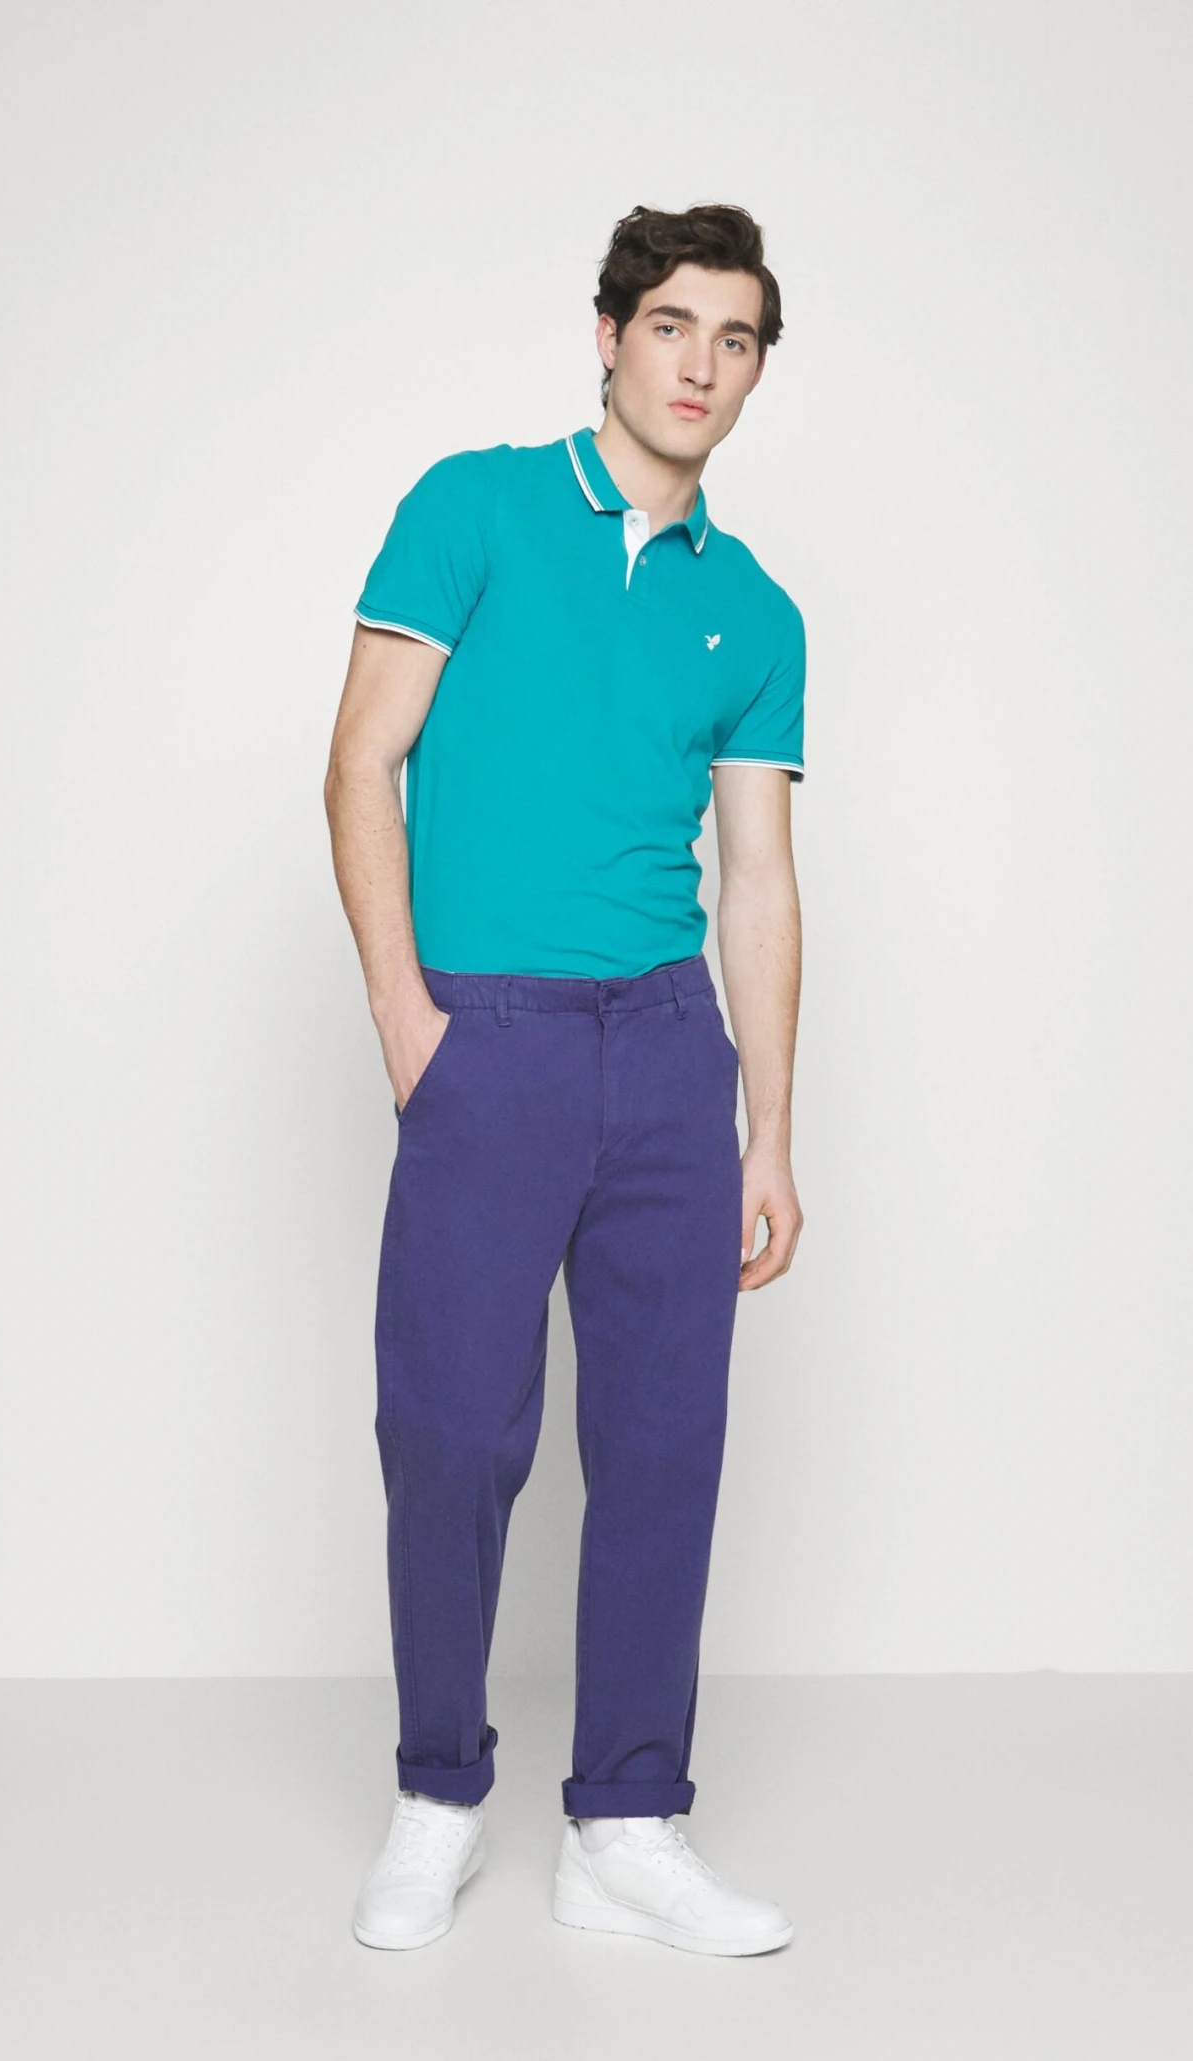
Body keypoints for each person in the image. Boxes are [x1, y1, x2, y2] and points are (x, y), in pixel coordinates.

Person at [324, 202, 806, 1956]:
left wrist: (767, 1128)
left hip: (669, 1051)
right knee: (451, 1429)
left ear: (754, 371)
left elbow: (758, 878)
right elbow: (360, 762)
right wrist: (409, 1020)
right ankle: (439, 1793)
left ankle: (628, 1819)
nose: (700, 365)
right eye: (673, 325)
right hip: (491, 1035)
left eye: (735, 339)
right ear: (610, 335)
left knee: (666, 1442)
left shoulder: (754, 611)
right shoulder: (473, 508)